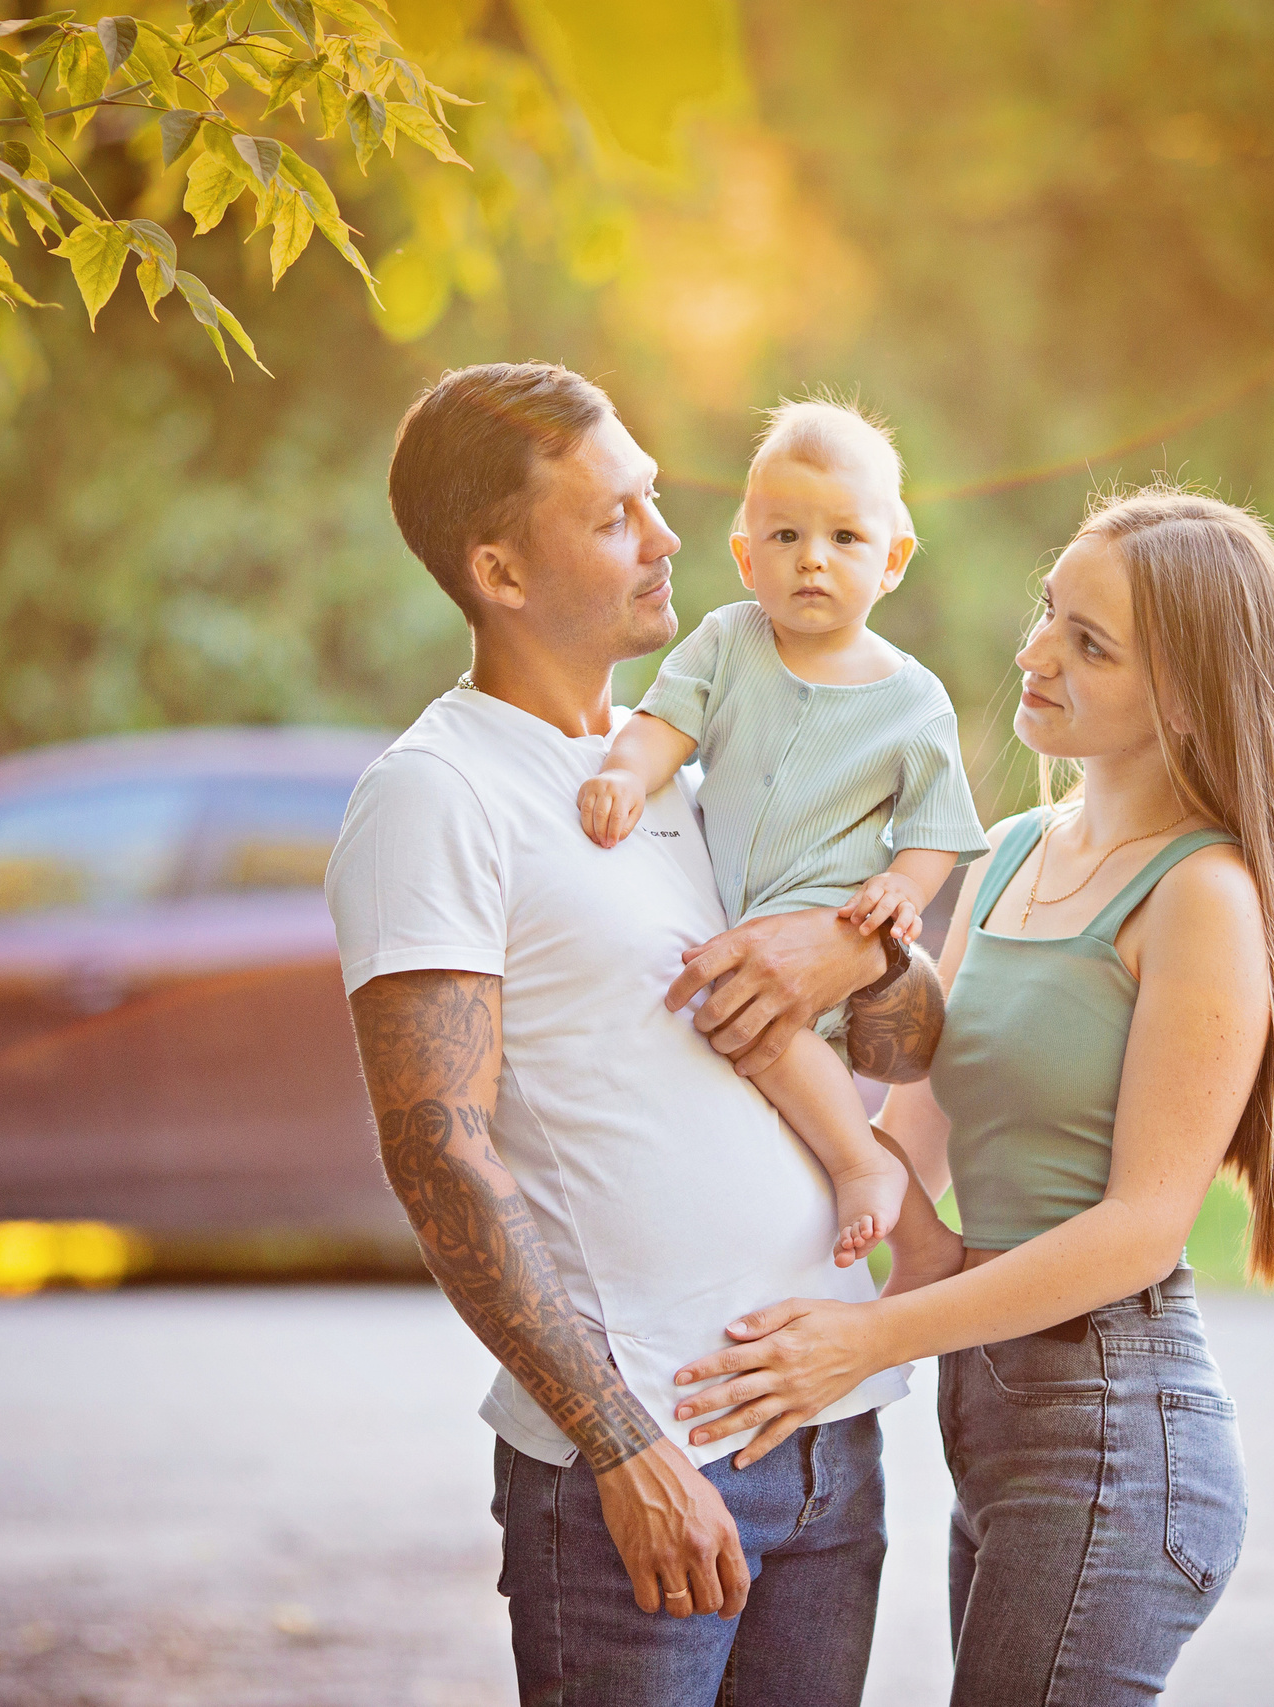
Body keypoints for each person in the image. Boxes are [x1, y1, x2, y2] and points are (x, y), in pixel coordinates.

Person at [325, 362, 946, 1705]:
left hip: (827, 1437)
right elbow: (438, 1152)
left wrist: (864, 945)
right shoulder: (437, 793)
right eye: (615, 516)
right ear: (498, 569)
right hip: (643, 1469)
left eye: (654, 497)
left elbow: (899, 1047)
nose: (668, 538)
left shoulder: (699, 776)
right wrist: (622, 1445)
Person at [668, 484, 1274, 1706]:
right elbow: (905, 1151)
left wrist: (867, 1338)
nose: (1033, 655)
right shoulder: (1015, 851)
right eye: (1047, 613)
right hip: (997, 1415)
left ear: (1187, 696)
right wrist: (765, 1052)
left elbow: (1140, 1230)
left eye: (1089, 644)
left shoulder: (1200, 895)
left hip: (1112, 1427)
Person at [578, 399, 989, 1266]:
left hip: (826, 918)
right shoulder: (728, 641)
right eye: (786, 536)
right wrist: (624, 772)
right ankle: (906, 1230)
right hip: (727, 909)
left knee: (771, 1040)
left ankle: (861, 1166)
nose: (813, 558)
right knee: (771, 1077)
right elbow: (664, 723)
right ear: (745, 555)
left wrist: (903, 887)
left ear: (893, 560)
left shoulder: (913, 699)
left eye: (845, 537)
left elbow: (936, 826)